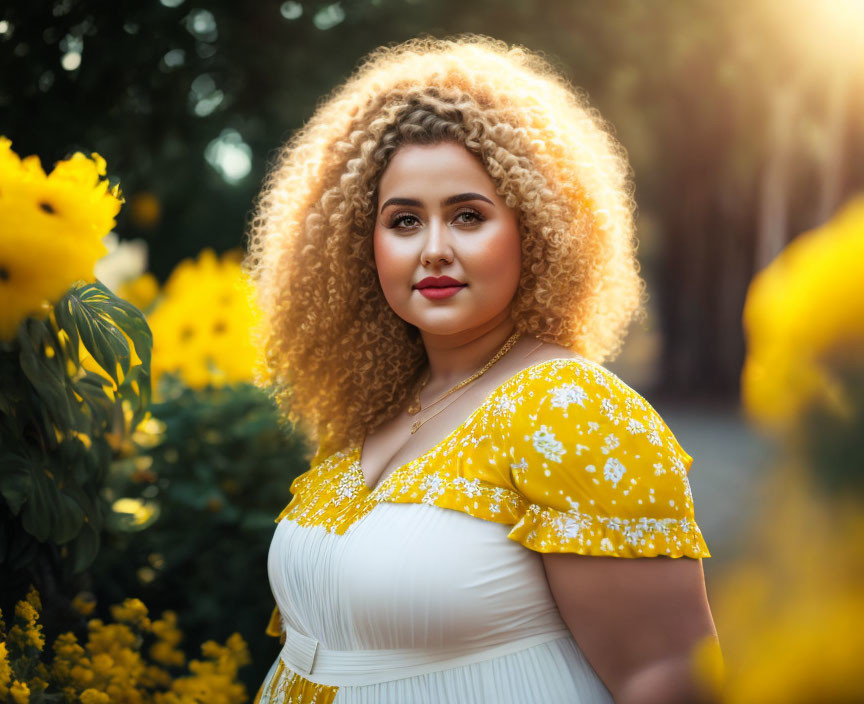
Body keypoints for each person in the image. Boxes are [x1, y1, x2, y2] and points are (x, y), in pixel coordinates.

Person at [243, 34, 721, 704]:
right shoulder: (373, 409)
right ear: (362, 244)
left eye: (468, 216)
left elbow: (664, 677)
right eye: (404, 221)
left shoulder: (573, 410)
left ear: (535, 229)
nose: (434, 250)